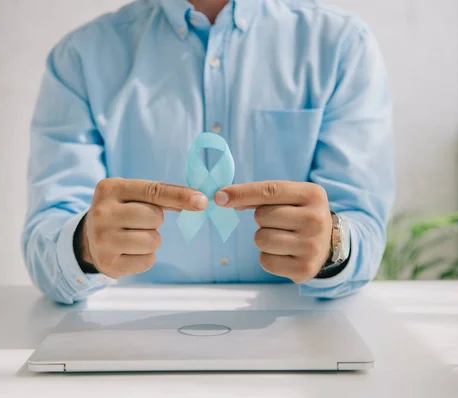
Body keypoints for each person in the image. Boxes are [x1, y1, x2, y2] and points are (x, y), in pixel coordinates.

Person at [22, 0, 394, 305]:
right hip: (135, 331)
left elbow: (362, 225)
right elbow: (47, 230)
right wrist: (83, 243)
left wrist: (333, 243)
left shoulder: (341, 46)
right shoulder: (80, 59)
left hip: (300, 330)